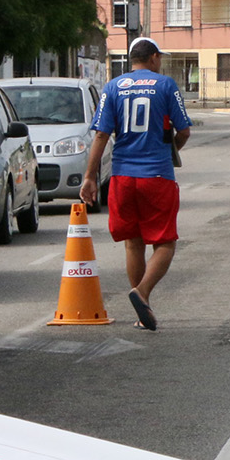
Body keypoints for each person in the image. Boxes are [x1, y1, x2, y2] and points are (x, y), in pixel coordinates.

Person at [83, 37, 192, 331]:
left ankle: (141, 311)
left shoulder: (112, 87)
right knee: (165, 243)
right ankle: (142, 293)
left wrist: (90, 176)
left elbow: (101, 135)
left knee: (133, 243)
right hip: (156, 175)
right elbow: (184, 130)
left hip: (121, 177)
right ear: (153, 58)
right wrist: (171, 151)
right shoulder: (166, 85)